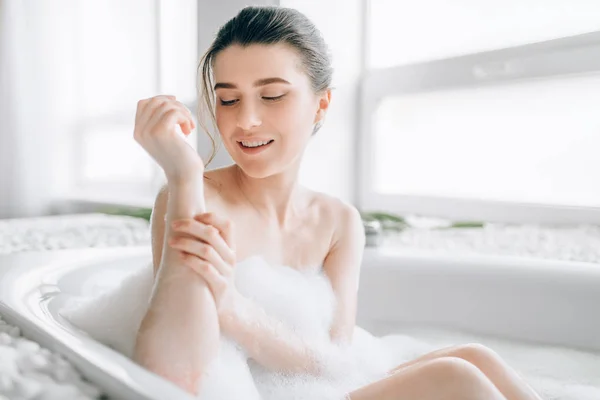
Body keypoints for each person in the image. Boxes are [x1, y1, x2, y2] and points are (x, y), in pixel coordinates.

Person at [131, 5, 543, 400]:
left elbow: (336, 363)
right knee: (454, 378)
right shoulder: (191, 196)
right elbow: (168, 380)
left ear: (321, 103)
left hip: (312, 386)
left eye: (272, 95)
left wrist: (235, 310)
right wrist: (183, 175)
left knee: (476, 357)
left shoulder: (337, 221)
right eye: (228, 99)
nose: (245, 121)